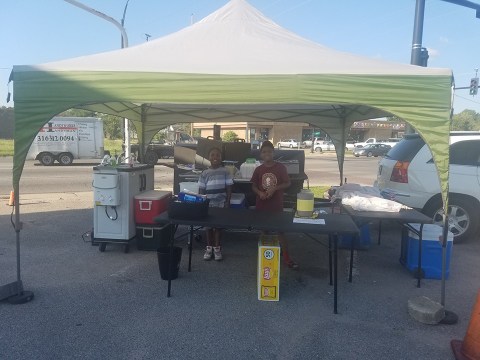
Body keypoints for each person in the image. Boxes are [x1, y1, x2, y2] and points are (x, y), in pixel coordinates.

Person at [251, 140, 298, 269]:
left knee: (280, 231)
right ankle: (265, 256)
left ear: (274, 153)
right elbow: (254, 186)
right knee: (264, 231)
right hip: (262, 205)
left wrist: (275, 188)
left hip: (276, 205)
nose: (267, 154)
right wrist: (260, 192)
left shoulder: (280, 167)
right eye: (264, 152)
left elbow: (287, 183)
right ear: (261, 154)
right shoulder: (258, 169)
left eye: (270, 152)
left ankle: (287, 258)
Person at [198, 147, 233, 261]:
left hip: (221, 203)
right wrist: (201, 202)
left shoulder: (225, 171)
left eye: (217, 155)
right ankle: (209, 249)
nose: (215, 157)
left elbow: (229, 187)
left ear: (221, 158)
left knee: (218, 227)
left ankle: (217, 249)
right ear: (209, 157)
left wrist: (227, 202)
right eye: (212, 155)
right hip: (208, 203)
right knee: (208, 227)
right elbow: (201, 189)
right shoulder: (205, 173)